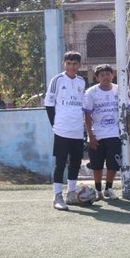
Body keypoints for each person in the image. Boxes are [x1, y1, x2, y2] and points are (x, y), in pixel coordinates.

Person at [46, 51, 86, 210]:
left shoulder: (81, 81)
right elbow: (49, 104)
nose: (71, 67)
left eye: (75, 64)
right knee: (60, 163)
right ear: (64, 64)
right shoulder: (57, 80)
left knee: (76, 162)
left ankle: (71, 193)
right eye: (68, 63)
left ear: (80, 65)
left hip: (77, 129)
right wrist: (54, 125)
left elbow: (82, 105)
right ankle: (57, 196)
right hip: (62, 129)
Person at [83, 64, 130, 200]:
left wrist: (129, 128)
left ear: (112, 75)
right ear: (97, 78)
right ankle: (98, 190)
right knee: (97, 165)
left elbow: (126, 110)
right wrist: (90, 136)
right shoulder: (91, 92)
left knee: (113, 164)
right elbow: (87, 116)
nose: (105, 77)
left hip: (114, 133)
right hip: (97, 134)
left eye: (108, 74)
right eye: (102, 75)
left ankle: (109, 188)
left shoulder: (119, 90)